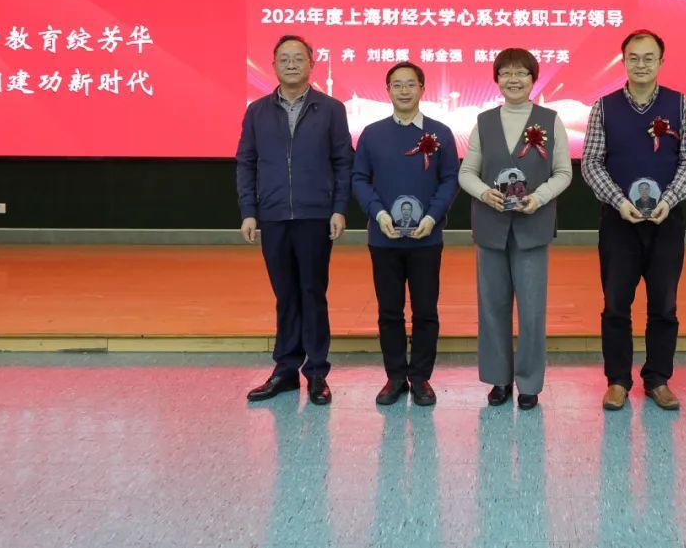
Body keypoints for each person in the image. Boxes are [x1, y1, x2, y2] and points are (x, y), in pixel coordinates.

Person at [582, 29, 686, 411]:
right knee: (616, 303)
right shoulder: (604, 107)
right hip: (619, 221)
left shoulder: (679, 103)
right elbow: (591, 162)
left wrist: (668, 199)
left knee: (664, 304)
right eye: (633, 57)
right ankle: (617, 380)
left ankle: (658, 379)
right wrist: (619, 202)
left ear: (661, 62)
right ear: (623, 62)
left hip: (666, 219)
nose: (641, 64)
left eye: (649, 57)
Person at [237, 34, 353, 406]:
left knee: (312, 293)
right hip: (272, 216)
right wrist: (249, 211)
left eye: (298, 58)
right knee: (285, 294)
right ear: (273, 65)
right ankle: (285, 369)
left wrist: (339, 208)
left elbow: (343, 162)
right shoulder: (257, 111)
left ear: (311, 65)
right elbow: (246, 163)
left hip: (315, 215)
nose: (291, 64)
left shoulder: (331, 109)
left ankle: (316, 372)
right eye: (284, 58)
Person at [459, 48, 572, 410]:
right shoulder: (484, 121)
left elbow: (563, 172)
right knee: (492, 307)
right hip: (490, 226)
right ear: (496, 79)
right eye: (506, 73)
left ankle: (529, 383)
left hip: (532, 226)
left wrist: (539, 198)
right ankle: (499, 379)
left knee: (532, 311)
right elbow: (467, 172)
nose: (513, 80)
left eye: (521, 73)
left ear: (533, 79)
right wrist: (484, 193)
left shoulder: (550, 120)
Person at [352, 61, 459, 407]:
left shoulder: (440, 133)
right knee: (389, 311)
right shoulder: (372, 134)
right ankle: (395, 376)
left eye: (410, 84)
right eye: (397, 84)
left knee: (426, 310)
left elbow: (449, 179)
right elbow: (359, 179)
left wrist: (432, 216)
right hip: (384, 238)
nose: (404, 90)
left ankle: (421, 377)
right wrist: (379, 213)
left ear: (422, 89)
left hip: (427, 237)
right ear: (388, 90)